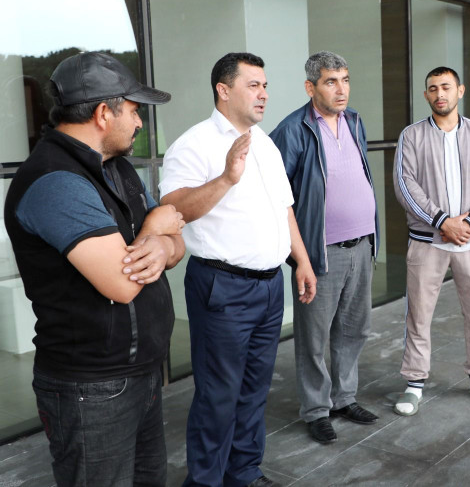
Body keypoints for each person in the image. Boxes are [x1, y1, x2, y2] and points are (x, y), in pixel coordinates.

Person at [4, 51, 185, 486]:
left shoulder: (117, 167)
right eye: (135, 111)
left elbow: (176, 237)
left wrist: (162, 242)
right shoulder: (56, 181)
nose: (139, 123)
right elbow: (122, 284)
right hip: (92, 388)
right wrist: (156, 232)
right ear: (104, 113)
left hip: (139, 373)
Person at [160, 52, 316, 487]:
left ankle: (243, 473)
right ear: (223, 90)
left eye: (265, 86)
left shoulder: (264, 143)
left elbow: (284, 209)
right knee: (218, 394)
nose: (263, 94)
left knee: (253, 390)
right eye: (253, 85)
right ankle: (205, 481)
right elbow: (173, 209)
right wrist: (227, 177)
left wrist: (301, 260)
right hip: (223, 287)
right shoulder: (194, 144)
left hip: (269, 287)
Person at [270, 51, 380, 445]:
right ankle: (316, 410)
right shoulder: (292, 130)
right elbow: (274, 197)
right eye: (331, 81)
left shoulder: (355, 121)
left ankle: (344, 398)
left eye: (345, 80)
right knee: (314, 337)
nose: (341, 89)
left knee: (354, 329)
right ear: (310, 87)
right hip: (321, 251)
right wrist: (297, 256)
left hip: (362, 245)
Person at [392, 66, 470, 416]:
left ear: (460, 91)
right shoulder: (411, 135)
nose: (439, 93)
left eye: (445, 86)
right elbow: (405, 184)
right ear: (425, 95)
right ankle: (414, 383)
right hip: (427, 242)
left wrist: (468, 223)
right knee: (418, 315)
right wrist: (442, 221)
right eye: (432, 88)